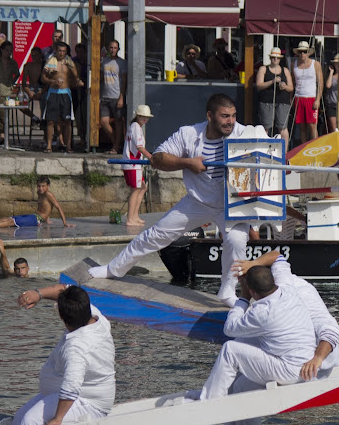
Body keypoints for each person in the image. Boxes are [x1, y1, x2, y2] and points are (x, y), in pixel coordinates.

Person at [88, 94, 250, 307]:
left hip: (230, 205)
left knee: (237, 241)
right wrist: (187, 162)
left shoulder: (244, 133)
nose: (230, 121)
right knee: (155, 235)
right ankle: (114, 269)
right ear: (210, 116)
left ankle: (227, 291)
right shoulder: (189, 134)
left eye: (233, 116)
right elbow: (157, 159)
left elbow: (267, 150)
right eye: (225, 116)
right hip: (197, 201)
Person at [194, 251, 339, 425]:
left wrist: (242, 299)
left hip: (292, 368)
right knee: (243, 387)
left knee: (231, 349)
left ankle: (210, 403)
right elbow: (279, 258)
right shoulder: (287, 288)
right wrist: (253, 264)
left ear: (252, 291)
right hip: (294, 360)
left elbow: (229, 329)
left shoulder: (263, 312)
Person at [0, 284, 115, 425]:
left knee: (30, 423)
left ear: (63, 319)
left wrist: (58, 418)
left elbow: (72, 386)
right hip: (77, 393)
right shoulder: (95, 316)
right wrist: (39, 294)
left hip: (88, 401)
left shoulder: (78, 347)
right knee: (20, 418)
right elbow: (67, 288)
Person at [0, 175, 74, 228]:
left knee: (10, 222)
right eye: (39, 186)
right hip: (34, 216)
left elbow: (58, 207)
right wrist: (47, 219)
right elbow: (45, 207)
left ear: (48, 186)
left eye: (43, 186)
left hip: (37, 220)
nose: (40, 188)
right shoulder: (39, 193)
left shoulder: (48, 194)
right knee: (8, 218)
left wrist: (65, 223)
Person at [42, 42, 81, 153]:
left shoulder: (69, 62)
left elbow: (75, 76)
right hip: (53, 92)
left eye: (64, 51)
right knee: (50, 121)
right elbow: (43, 77)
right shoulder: (51, 62)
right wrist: (51, 81)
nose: (61, 53)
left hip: (65, 93)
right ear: (56, 51)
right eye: (60, 51)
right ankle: (49, 145)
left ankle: (68, 146)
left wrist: (78, 81)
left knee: (67, 121)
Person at [122, 104, 154, 226]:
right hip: (132, 164)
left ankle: (135, 216)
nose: (145, 119)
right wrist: (151, 157)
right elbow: (139, 147)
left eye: (147, 117)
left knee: (143, 188)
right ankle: (130, 219)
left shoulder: (136, 126)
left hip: (135, 164)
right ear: (138, 116)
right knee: (135, 190)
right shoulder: (135, 127)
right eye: (143, 117)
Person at [256, 47, 294, 144]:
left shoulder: (285, 70)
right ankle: (263, 150)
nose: (275, 59)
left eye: (277, 58)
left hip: (283, 102)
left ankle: (285, 152)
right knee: (266, 127)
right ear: (270, 58)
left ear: (280, 59)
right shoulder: (263, 69)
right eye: (273, 57)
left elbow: (291, 88)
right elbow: (259, 85)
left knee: (283, 128)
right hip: (266, 102)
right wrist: (272, 81)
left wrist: (284, 87)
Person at [291, 41, 323, 145]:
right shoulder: (293, 64)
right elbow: (292, 82)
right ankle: (304, 148)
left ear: (309, 52)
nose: (302, 54)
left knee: (312, 125)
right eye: (300, 52)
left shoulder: (315, 64)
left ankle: (315, 146)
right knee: (302, 126)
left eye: (304, 52)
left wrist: (318, 99)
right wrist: (290, 97)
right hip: (298, 97)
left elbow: (320, 83)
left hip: (311, 97)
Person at [100, 40, 127, 154]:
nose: (112, 50)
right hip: (105, 96)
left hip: (116, 96)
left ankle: (116, 146)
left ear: (118, 49)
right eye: (111, 47)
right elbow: (100, 78)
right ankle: (115, 143)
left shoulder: (122, 63)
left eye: (115, 48)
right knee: (104, 121)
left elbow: (124, 81)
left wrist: (122, 97)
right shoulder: (104, 62)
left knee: (118, 122)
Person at [72, 43, 89, 150]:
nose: (79, 54)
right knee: (78, 116)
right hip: (76, 89)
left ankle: (88, 138)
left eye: (81, 52)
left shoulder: (89, 61)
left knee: (86, 115)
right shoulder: (74, 61)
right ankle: (82, 138)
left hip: (87, 90)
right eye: (77, 52)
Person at [21, 48, 45, 118]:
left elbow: (48, 82)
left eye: (36, 55)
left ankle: (43, 120)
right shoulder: (28, 65)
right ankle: (35, 118)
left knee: (47, 101)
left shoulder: (44, 65)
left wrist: (41, 91)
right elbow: (24, 82)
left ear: (40, 55)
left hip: (43, 89)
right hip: (31, 88)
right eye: (32, 56)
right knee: (20, 102)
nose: (34, 57)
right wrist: (28, 91)